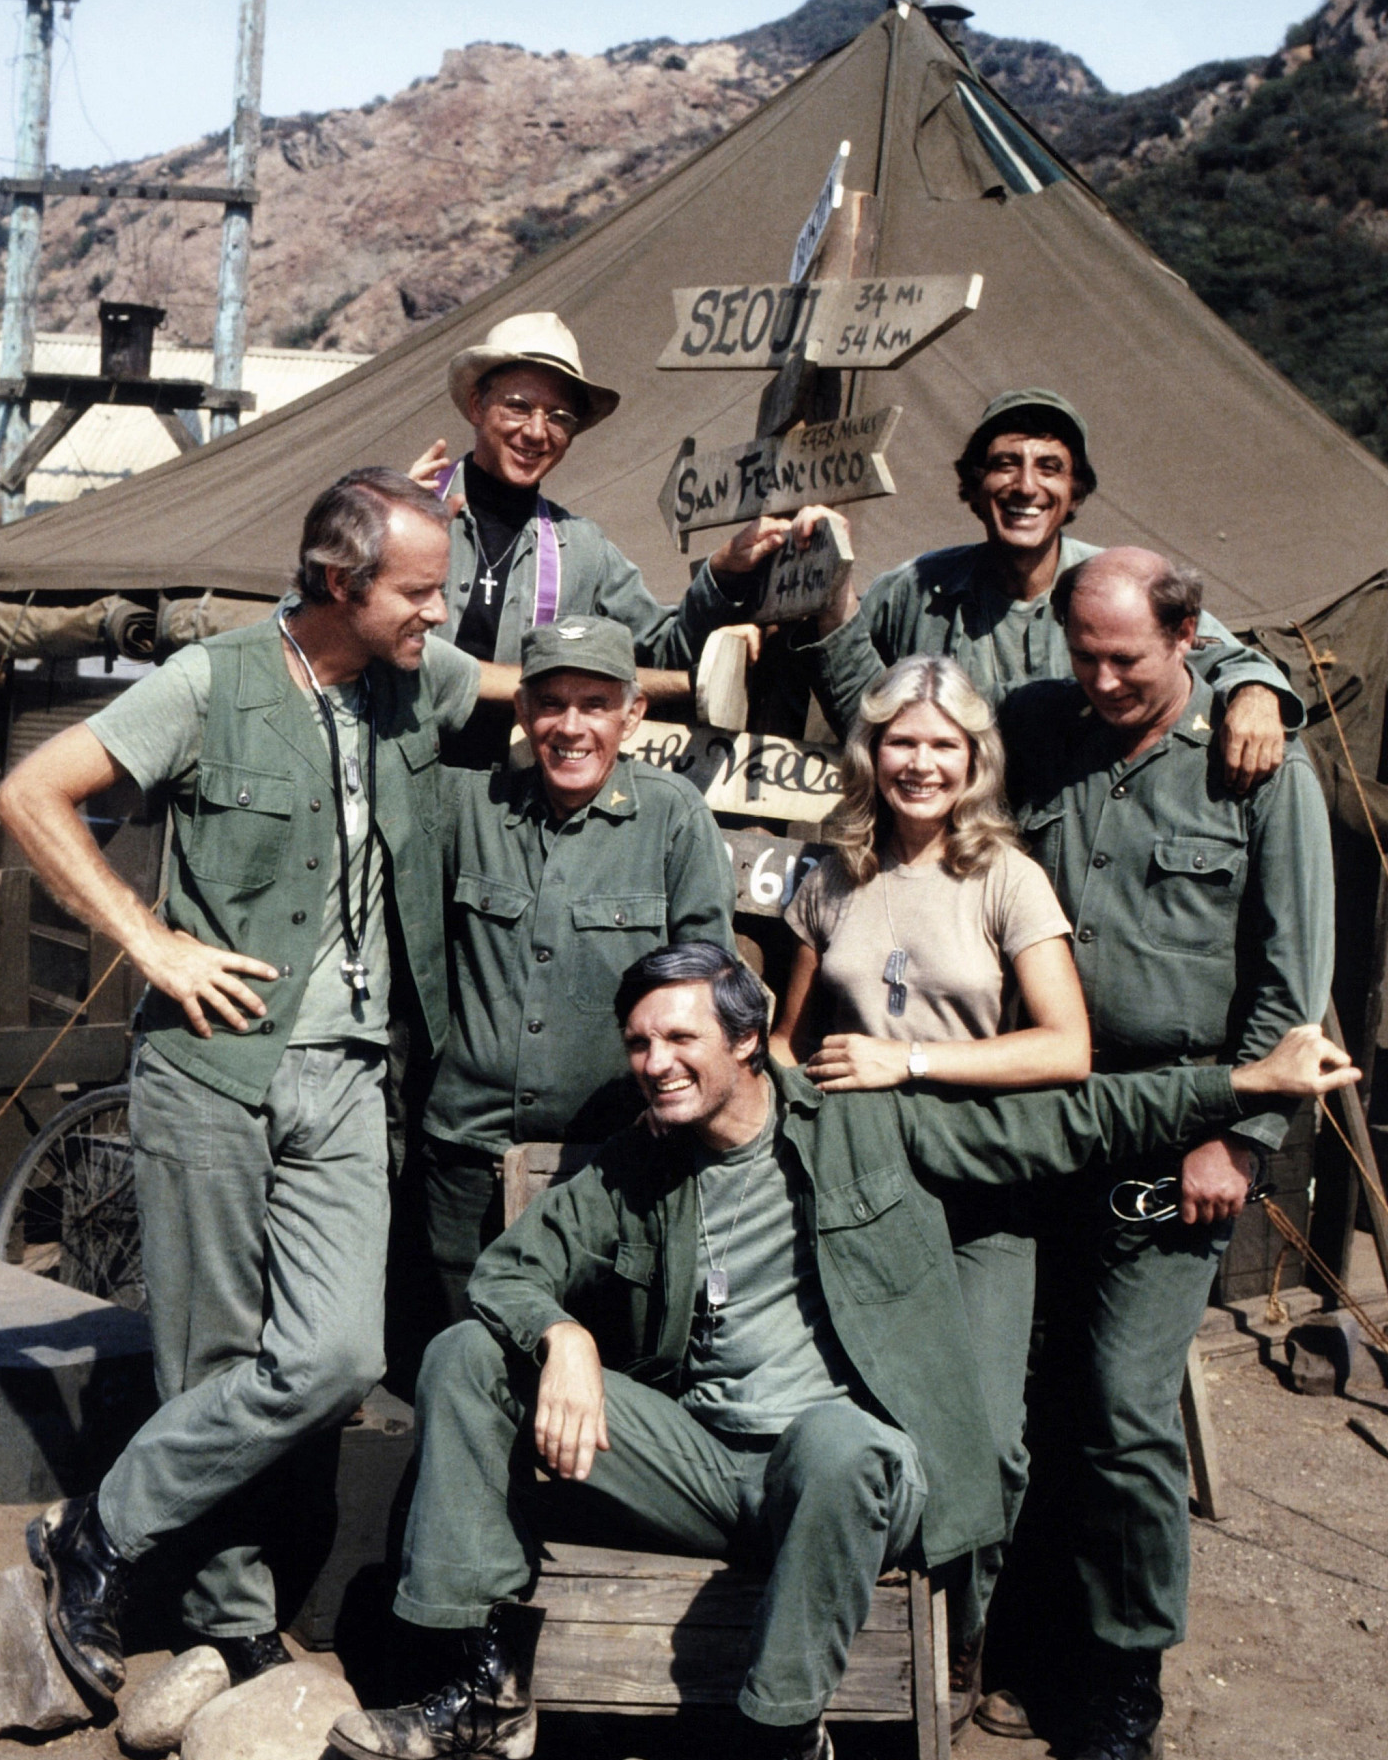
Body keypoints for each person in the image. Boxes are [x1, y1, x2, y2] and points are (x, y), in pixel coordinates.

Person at [327, 942, 1357, 1760]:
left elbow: (1076, 1116)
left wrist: (1245, 1084)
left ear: (748, 1038)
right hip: (700, 1459)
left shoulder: (870, 1126)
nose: (655, 1063)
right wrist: (563, 1335)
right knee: (469, 1352)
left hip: (853, 1472)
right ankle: (476, 1680)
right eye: (639, 1042)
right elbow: (509, 1270)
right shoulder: (636, 1169)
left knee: (835, 1441)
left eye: (680, 1038)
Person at [0, 468, 522, 1702]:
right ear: (340, 584)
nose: (438, 616)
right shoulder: (209, 682)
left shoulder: (414, 680)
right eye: (418, 591)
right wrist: (151, 939)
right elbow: (32, 793)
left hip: (345, 1077)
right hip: (210, 1070)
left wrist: (730, 647)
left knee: (334, 1355)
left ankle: (101, 1531)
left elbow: (530, 694)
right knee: (212, 1356)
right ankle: (231, 1617)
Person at [983, 547, 1334, 1760]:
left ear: (1190, 636)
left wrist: (1239, 1141)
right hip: (1045, 1129)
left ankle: (1125, 1693)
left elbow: (1293, 980)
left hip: (1169, 1150)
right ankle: (1030, 1637)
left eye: (1128, 656)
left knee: (1127, 1399)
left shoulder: (1254, 761)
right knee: (1030, 1380)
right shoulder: (1040, 725)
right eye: (1083, 653)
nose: (1103, 677)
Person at [771, 653, 1089, 1734]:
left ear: (973, 760)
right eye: (901, 740)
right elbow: (786, 1036)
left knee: (988, 1431)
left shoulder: (1006, 875)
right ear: (871, 750)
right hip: (865, 1185)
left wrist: (909, 1064)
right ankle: (875, 1644)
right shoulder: (832, 870)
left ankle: (959, 1645)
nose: (919, 761)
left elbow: (1065, 1045)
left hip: (983, 1189)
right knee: (874, 1416)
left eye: (942, 744)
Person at [413, 612, 734, 1342]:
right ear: (521, 709)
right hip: (467, 1158)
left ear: (633, 713)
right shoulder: (471, 808)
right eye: (551, 703)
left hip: (610, 1163)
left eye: (595, 704)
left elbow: (711, 982)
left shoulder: (672, 817)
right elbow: (402, 678)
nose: (572, 726)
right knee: (467, 1361)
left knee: (595, 1375)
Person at [802, 388, 1298, 795]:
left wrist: (1257, 692)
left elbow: (1213, 652)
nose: (1025, 486)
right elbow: (848, 674)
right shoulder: (919, 587)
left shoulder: (1112, 587)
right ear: (974, 487)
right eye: (1005, 464)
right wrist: (767, 619)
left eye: (1049, 467)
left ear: (1075, 491)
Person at [409, 310, 811, 760]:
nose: (536, 432)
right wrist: (388, 534)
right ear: (477, 406)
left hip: (512, 804)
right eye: (518, 407)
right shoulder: (408, 510)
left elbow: (665, 649)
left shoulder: (583, 549)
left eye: (559, 417)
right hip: (394, 782)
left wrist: (722, 574)